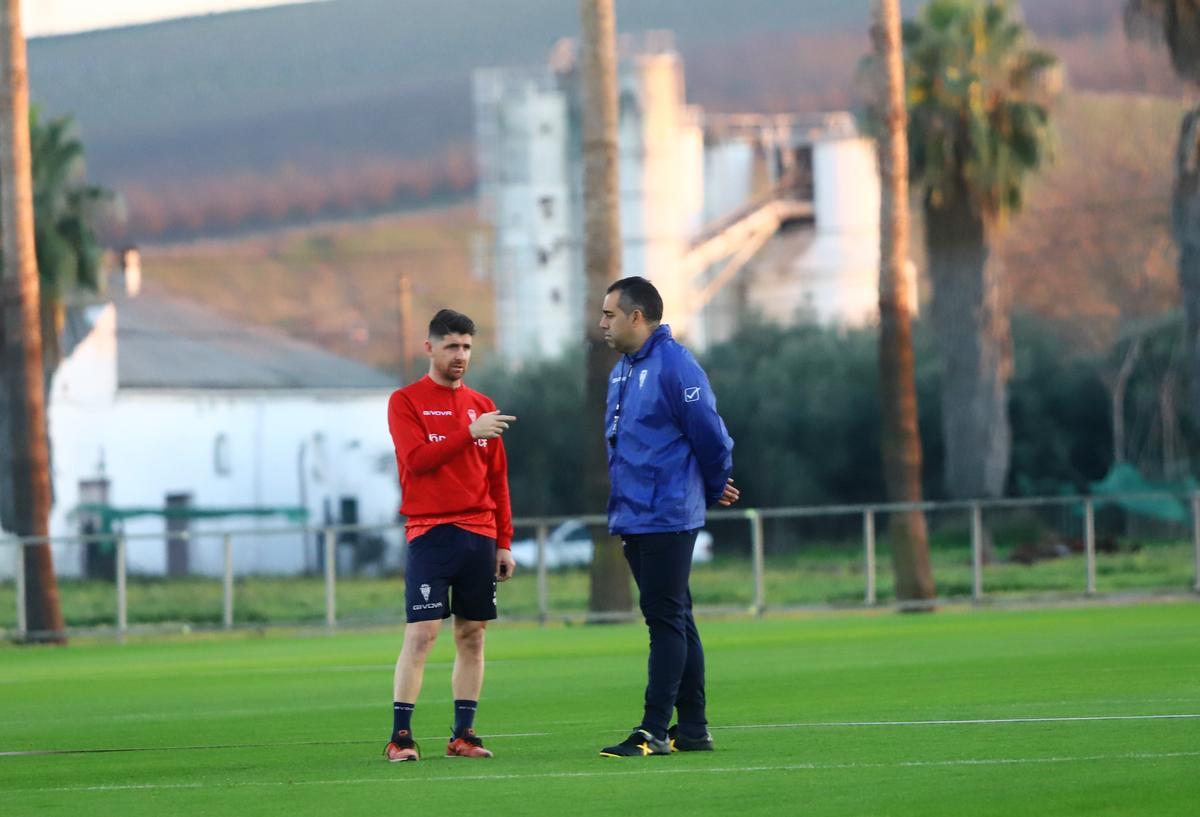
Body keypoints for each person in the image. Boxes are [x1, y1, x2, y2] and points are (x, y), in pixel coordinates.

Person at [596, 276, 739, 758]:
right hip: (634, 513)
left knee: (663, 620)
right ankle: (693, 728)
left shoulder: (676, 366)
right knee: (678, 617)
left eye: (610, 314)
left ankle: (654, 729)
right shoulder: (622, 370)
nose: (603, 324)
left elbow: (711, 435)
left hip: (667, 514)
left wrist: (715, 484)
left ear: (637, 317)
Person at [383, 308, 517, 762]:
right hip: (432, 533)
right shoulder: (405, 401)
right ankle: (401, 737)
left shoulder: (482, 404)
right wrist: (467, 432)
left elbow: (497, 479)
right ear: (430, 348)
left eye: (466, 348)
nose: (460, 355)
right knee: (421, 634)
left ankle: (464, 735)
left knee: (473, 635)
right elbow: (417, 460)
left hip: (480, 534)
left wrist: (504, 541)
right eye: (451, 347)